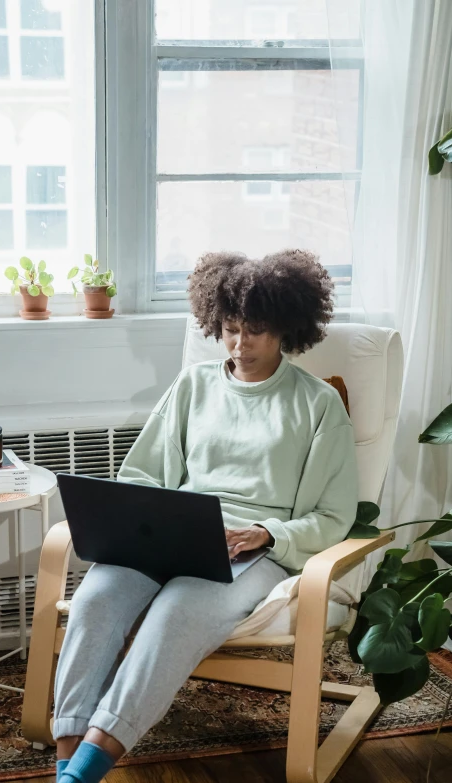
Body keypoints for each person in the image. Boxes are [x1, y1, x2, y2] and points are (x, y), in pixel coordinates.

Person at [53, 249, 359, 783]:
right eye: (231, 329)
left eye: (257, 331)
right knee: (95, 600)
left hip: (255, 550)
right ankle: (65, 757)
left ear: (287, 329)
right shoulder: (193, 385)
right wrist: (143, 517)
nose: (241, 345)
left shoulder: (317, 404)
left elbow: (334, 514)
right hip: (169, 532)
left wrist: (266, 532)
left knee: (174, 615)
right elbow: (143, 474)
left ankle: (85, 771)